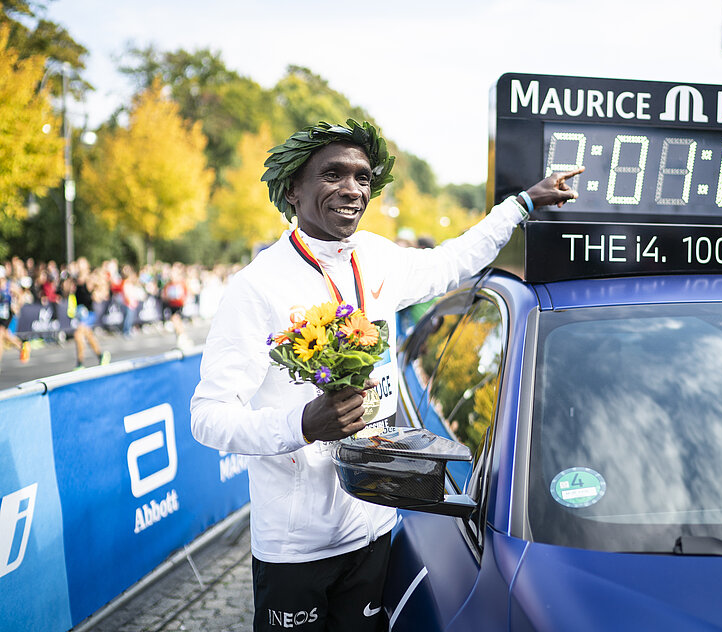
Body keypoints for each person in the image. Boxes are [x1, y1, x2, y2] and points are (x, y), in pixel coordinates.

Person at [190, 120, 578, 632]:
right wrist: (302, 423)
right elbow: (208, 418)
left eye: (363, 178)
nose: (352, 189)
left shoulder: (373, 256)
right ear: (293, 190)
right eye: (333, 175)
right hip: (297, 546)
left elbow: (452, 262)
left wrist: (521, 204)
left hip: (376, 525)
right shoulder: (256, 287)